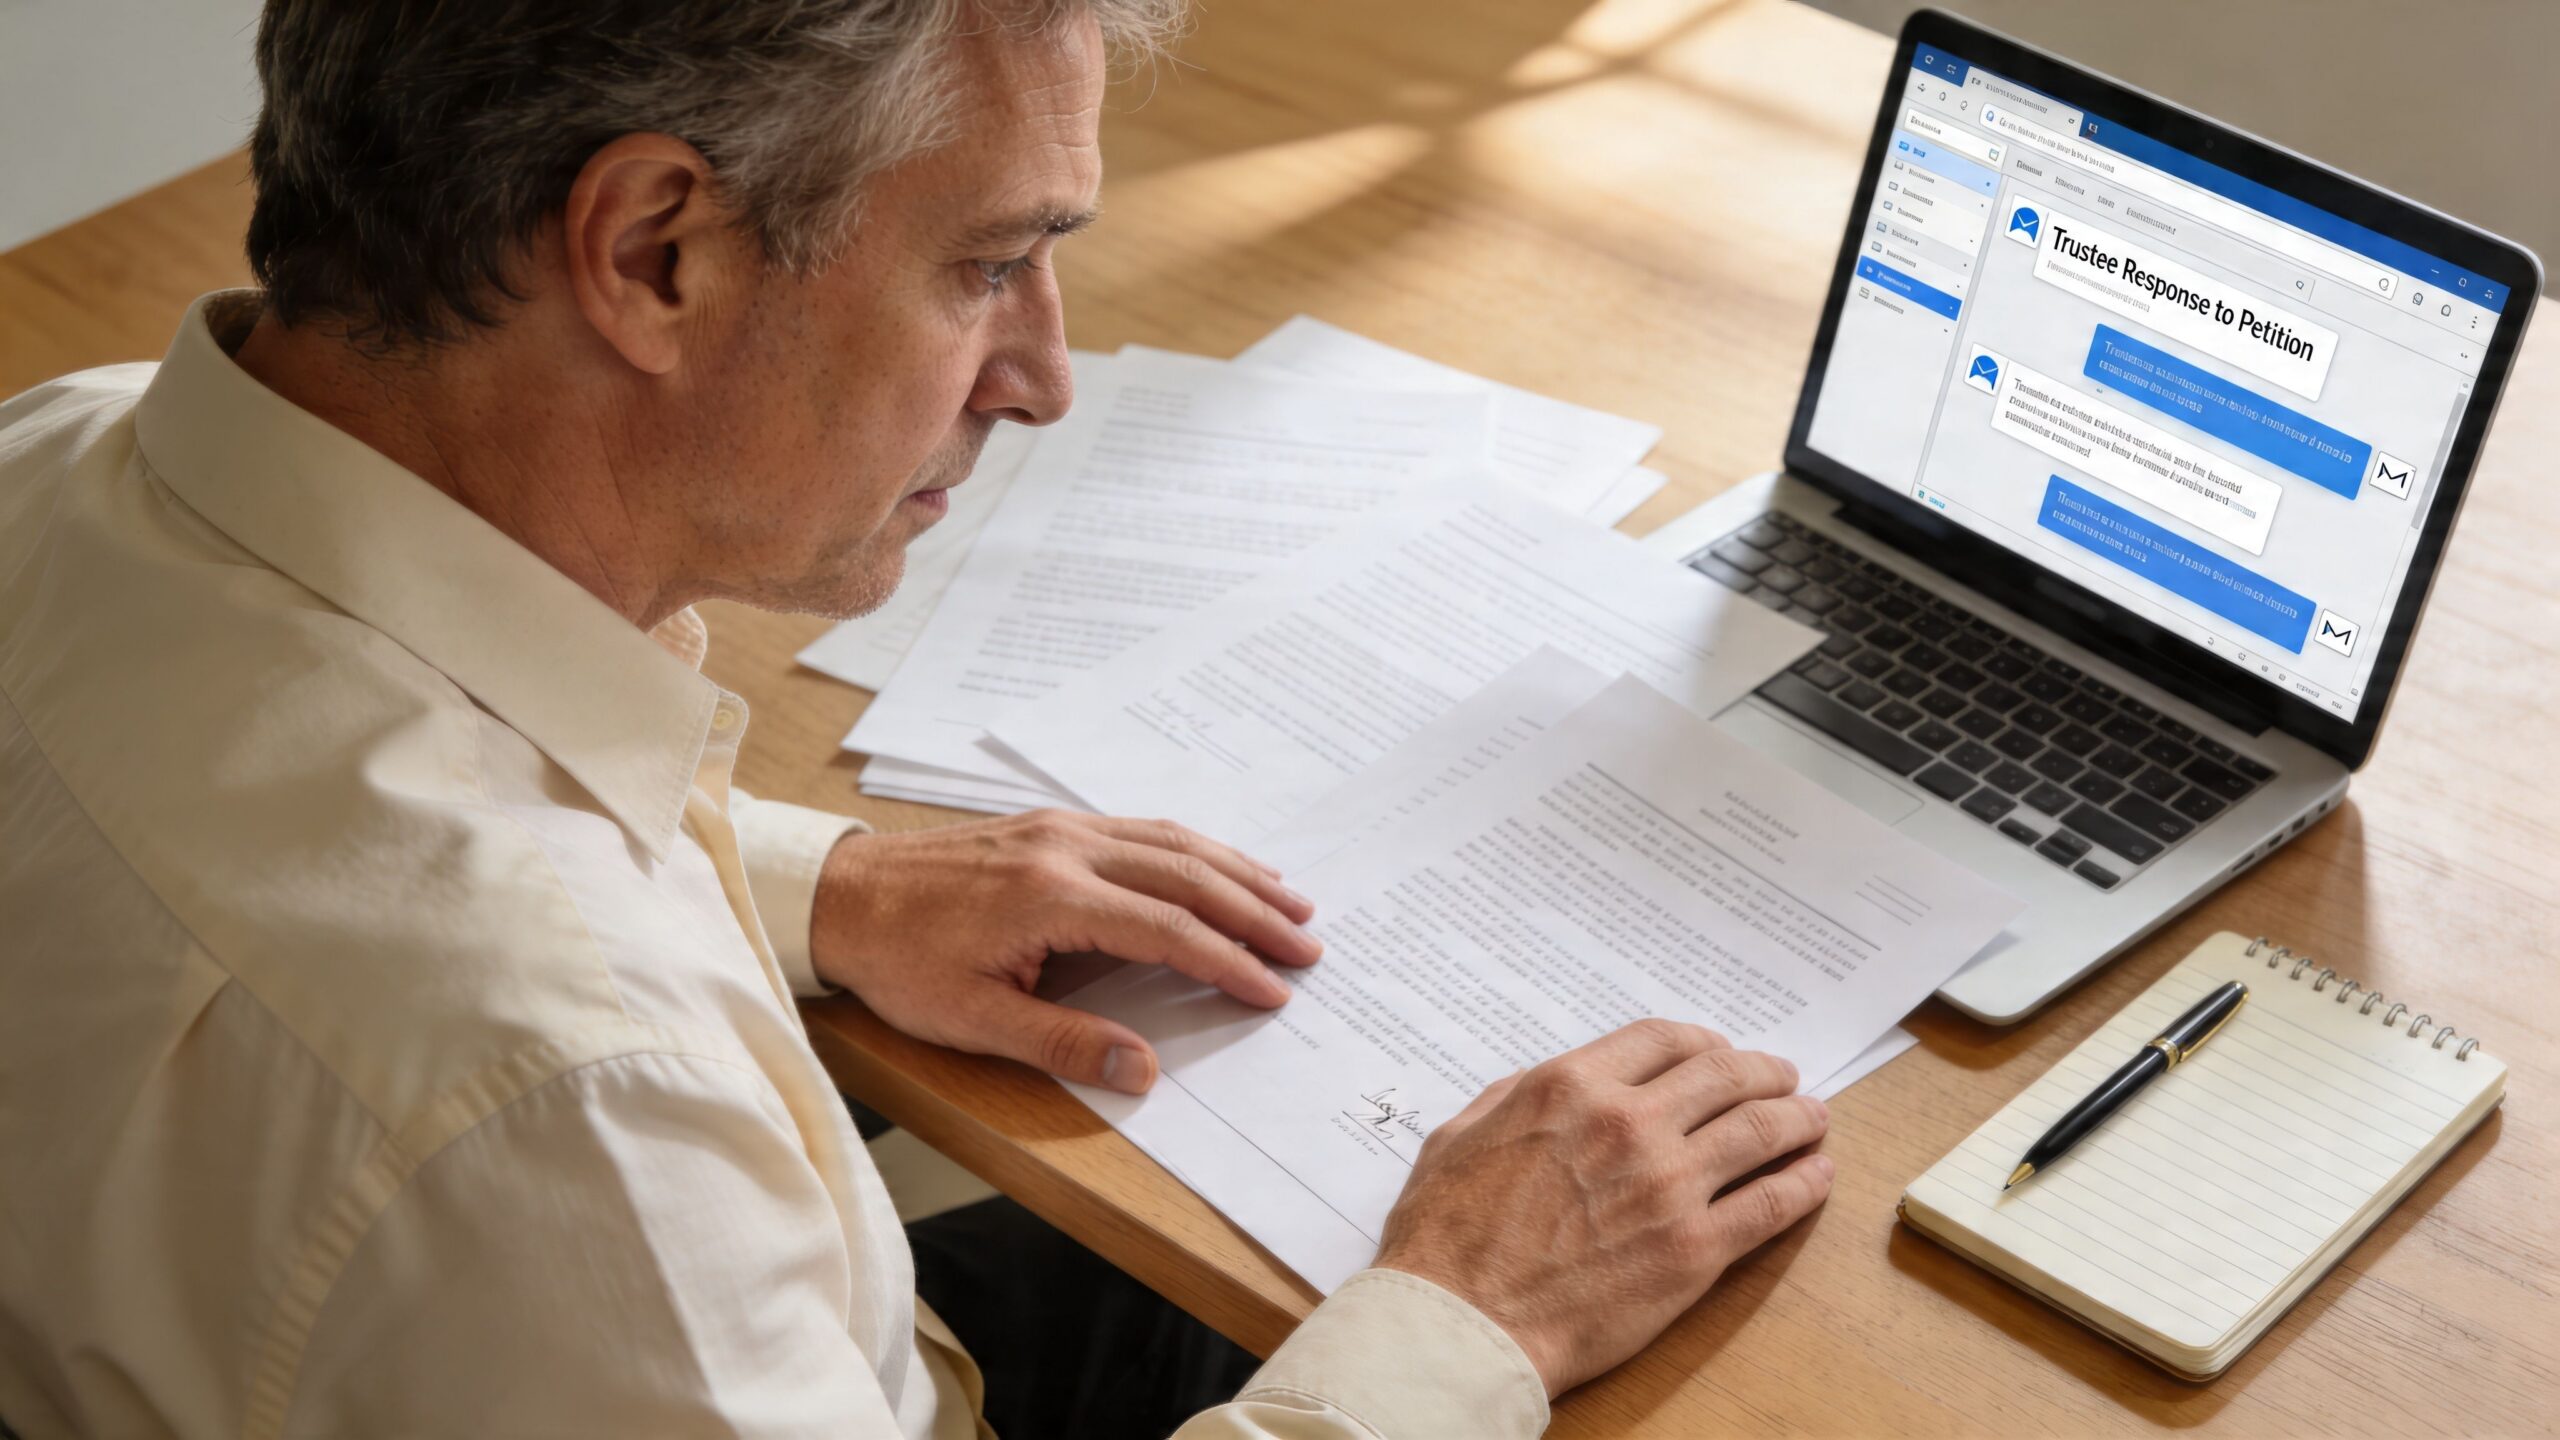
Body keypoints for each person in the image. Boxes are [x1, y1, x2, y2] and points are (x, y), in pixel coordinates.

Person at [0, 1, 1835, 1435]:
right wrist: (1467, 1330)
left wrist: (813, 883)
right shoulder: (575, 1142)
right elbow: (510, 1070)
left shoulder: (62, 456)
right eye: (983, 266)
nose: (1042, 374)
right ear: (652, 251)